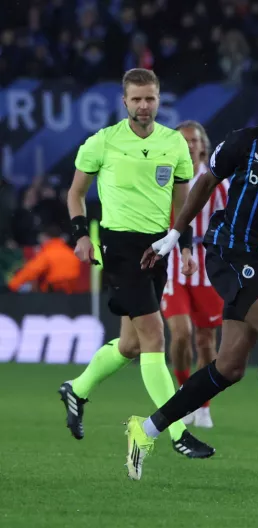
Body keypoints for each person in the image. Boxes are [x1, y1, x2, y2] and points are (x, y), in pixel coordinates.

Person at [123, 77, 258, 483]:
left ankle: (146, 429)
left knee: (229, 367)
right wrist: (175, 234)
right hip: (229, 249)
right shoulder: (247, 141)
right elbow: (206, 182)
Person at [59, 68, 214, 459]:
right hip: (119, 247)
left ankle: (76, 389)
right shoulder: (103, 142)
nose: (144, 106)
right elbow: (76, 193)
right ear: (124, 102)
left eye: (150, 99)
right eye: (137, 99)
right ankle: (177, 430)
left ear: (159, 101)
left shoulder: (174, 145)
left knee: (130, 344)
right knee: (154, 337)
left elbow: (183, 202)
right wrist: (81, 235)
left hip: (158, 249)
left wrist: (188, 245)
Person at [161, 120, 230, 429]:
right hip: (173, 267)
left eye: (195, 140)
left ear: (204, 145)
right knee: (180, 335)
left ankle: (202, 404)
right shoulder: (164, 177)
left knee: (205, 342)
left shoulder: (217, 182)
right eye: (184, 140)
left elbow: (231, 222)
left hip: (208, 269)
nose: (190, 145)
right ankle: (183, 391)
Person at [4, 223, 81, 294]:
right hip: (71, 293)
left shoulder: (48, 253)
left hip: (54, 290)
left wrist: (12, 286)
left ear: (46, 237)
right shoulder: (71, 253)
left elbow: (31, 270)